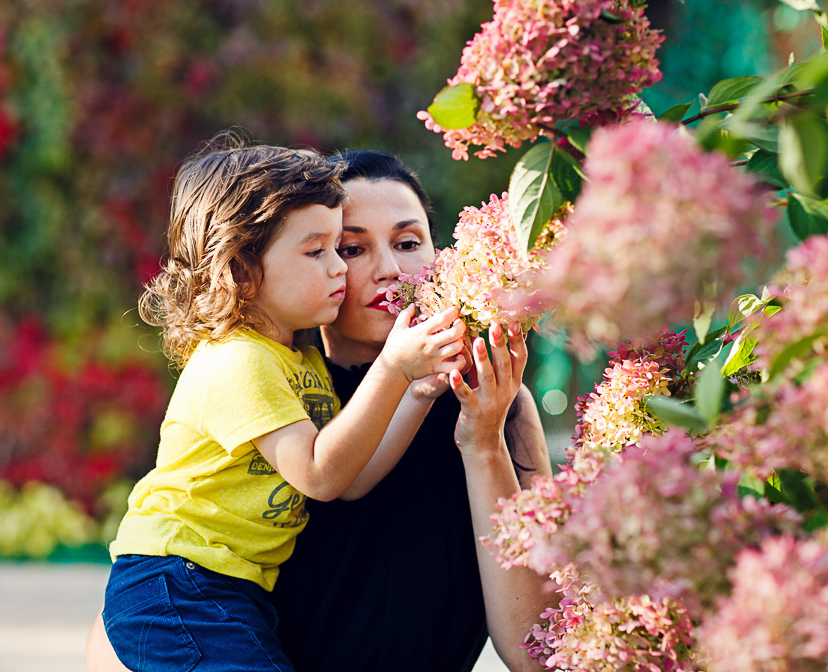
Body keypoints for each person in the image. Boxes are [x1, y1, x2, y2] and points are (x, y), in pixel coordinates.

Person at [86, 150, 553, 672]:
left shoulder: (491, 404)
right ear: (250, 270)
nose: (390, 271)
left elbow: (536, 655)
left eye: (407, 243)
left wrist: (479, 439)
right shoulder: (266, 375)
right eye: (348, 248)